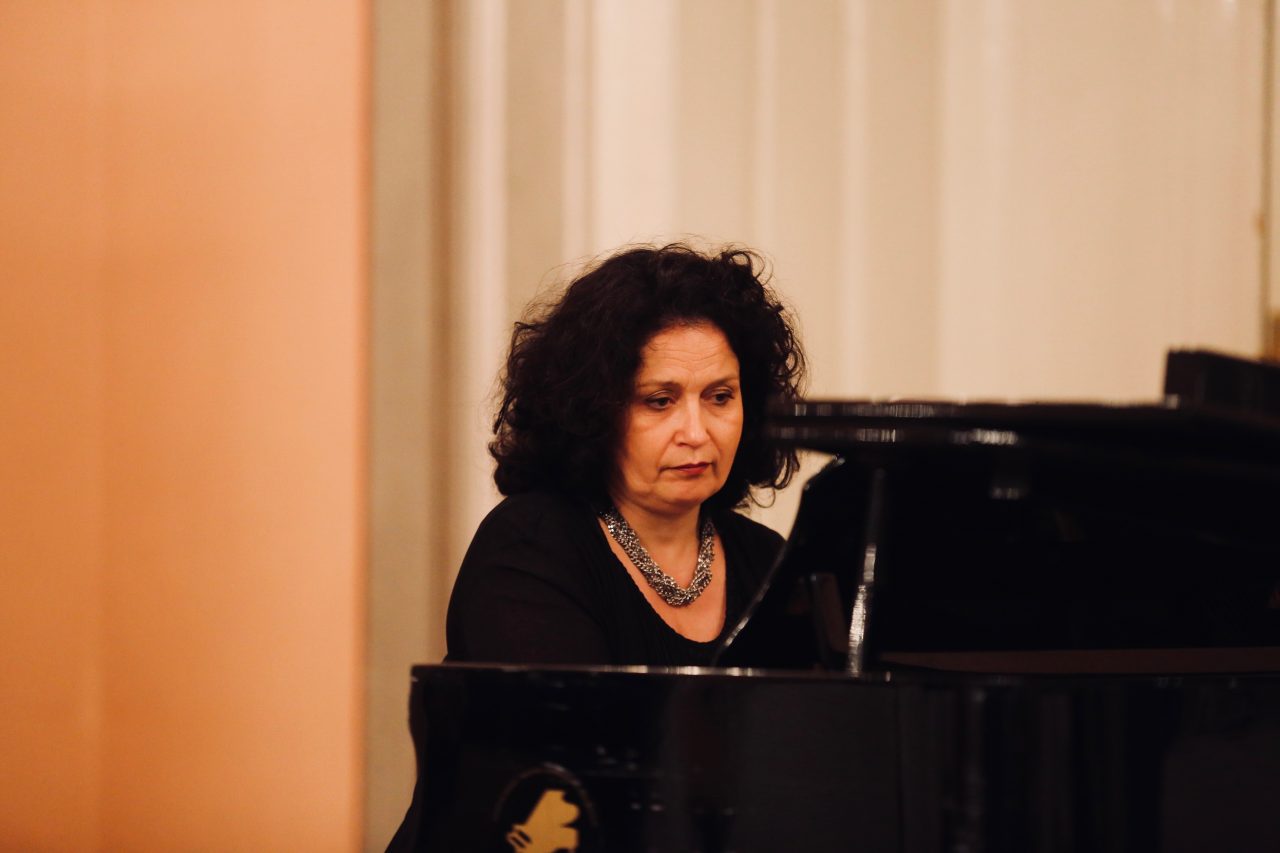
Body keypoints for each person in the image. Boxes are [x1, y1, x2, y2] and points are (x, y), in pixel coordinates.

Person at [445, 243, 806, 666]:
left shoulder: (768, 563)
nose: (696, 433)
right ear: (593, 412)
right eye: (659, 401)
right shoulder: (530, 547)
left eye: (720, 397)